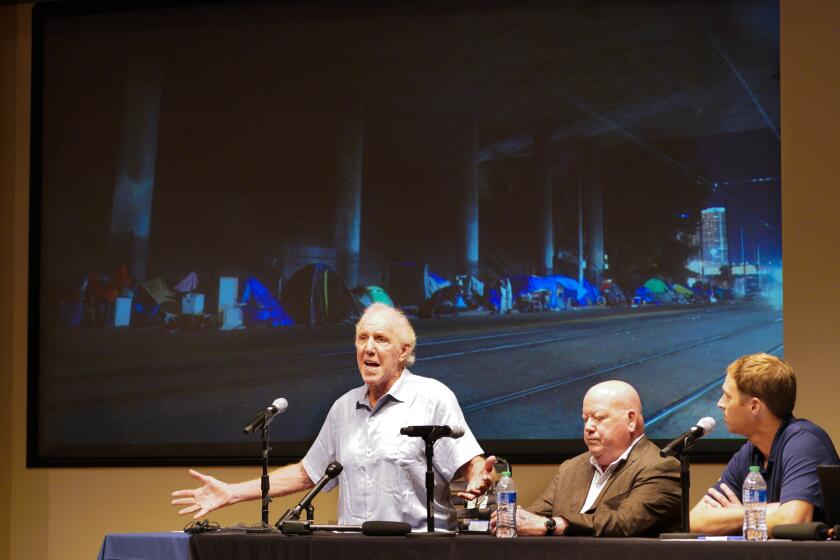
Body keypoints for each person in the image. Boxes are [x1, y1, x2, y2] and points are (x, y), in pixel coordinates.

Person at [171, 303, 495, 531]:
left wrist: (479, 474)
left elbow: (469, 461)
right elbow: (307, 474)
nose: (368, 348)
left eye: (381, 339)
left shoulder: (433, 397)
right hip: (353, 551)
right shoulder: (343, 408)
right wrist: (231, 493)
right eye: (362, 338)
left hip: (418, 551)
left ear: (404, 351)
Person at [491, 380, 680, 537]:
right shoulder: (570, 468)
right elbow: (536, 515)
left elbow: (624, 523)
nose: (588, 427)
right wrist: (512, 518)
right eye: (585, 419)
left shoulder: (662, 467)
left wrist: (553, 525)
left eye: (599, 418)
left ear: (630, 420)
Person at [690, 353, 840, 534]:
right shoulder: (751, 452)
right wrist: (761, 512)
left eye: (728, 396)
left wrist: (735, 515)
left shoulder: (805, 442)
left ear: (754, 406)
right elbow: (695, 520)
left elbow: (793, 520)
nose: (720, 404)